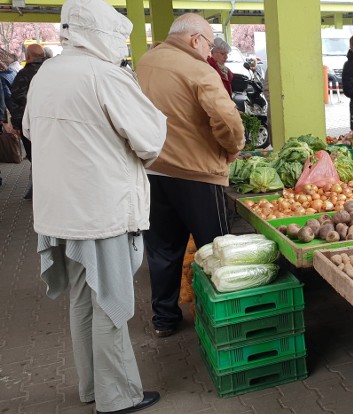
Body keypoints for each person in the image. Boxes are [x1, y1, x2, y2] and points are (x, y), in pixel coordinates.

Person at [23, 0, 166, 412]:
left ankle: (92, 387)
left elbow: (30, 128)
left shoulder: (47, 72)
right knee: (111, 303)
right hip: (101, 209)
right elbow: (150, 140)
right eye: (119, 38)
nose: (122, 46)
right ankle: (118, 397)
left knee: (83, 300)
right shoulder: (105, 76)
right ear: (101, 34)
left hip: (60, 210)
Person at [135, 13, 245, 338]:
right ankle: (223, 317)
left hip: (153, 170)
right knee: (215, 248)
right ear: (195, 40)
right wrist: (232, 147)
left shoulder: (146, 62)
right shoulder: (198, 69)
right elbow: (227, 119)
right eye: (209, 45)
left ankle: (164, 320)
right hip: (197, 174)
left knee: (162, 249)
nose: (210, 53)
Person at [9, 43, 47, 200]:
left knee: (35, 157)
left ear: (28, 56)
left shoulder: (24, 74)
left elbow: (16, 100)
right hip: (54, 123)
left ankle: (37, 189)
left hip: (31, 124)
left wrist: (17, 124)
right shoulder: (52, 72)